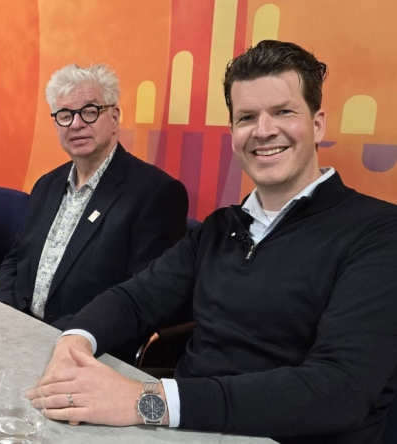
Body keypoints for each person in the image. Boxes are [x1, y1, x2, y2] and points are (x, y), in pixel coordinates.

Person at [31, 40, 397, 443]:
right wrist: (75, 341)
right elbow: (135, 298)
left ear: (317, 124)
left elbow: (339, 390)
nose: (263, 131)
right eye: (246, 117)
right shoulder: (221, 228)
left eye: (283, 112)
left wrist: (145, 400)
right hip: (193, 427)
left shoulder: (379, 233)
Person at [0, 63, 188, 334]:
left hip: (85, 344)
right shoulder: (46, 185)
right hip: (17, 331)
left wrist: (59, 337)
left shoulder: (156, 194)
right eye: (64, 114)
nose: (76, 124)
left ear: (115, 117)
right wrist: (1, 313)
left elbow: (144, 299)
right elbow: (16, 259)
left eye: (90, 112)